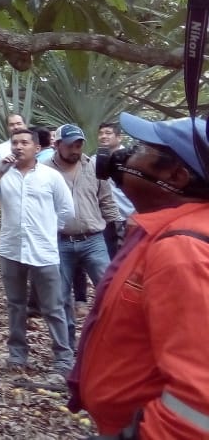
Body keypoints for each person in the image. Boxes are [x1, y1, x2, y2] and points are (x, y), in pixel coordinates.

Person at [69, 113, 209, 438]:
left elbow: (199, 397)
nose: (125, 155)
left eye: (142, 148)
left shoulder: (183, 250)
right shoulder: (161, 230)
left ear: (176, 176)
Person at [0, 128, 75, 375]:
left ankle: (63, 357)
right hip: (11, 249)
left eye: (24, 143)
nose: (18, 147)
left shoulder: (51, 177)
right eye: (15, 143)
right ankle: (17, 354)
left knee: (53, 307)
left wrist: (48, 230)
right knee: (15, 304)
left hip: (43, 251)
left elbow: (67, 210)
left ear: (37, 148)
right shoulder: (3, 174)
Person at [41, 124, 120, 349]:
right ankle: (66, 348)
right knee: (60, 296)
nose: (75, 149)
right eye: (70, 145)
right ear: (57, 145)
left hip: (93, 239)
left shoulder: (94, 166)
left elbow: (106, 200)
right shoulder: (44, 170)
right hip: (59, 241)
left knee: (109, 289)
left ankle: (109, 341)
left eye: (78, 145)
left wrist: (116, 231)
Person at [97, 120, 133, 259]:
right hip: (107, 218)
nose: (103, 136)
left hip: (128, 215)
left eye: (108, 133)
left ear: (119, 137)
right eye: (101, 133)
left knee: (128, 255)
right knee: (112, 255)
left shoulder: (130, 158)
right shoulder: (95, 159)